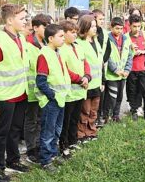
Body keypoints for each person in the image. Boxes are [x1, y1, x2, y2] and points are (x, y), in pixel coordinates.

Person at [0, 4, 30, 182]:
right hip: (4, 95)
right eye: (22, 18)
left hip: (20, 93)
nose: (25, 21)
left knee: (15, 130)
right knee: (0, 134)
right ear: (10, 20)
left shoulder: (20, 37)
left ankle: (13, 160)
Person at [35, 24, 70, 171]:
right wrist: (52, 96)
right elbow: (41, 81)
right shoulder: (45, 54)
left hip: (60, 99)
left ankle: (53, 155)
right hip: (52, 101)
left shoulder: (57, 52)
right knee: (48, 132)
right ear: (50, 38)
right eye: (60, 36)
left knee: (57, 130)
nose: (63, 39)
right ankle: (45, 160)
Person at [59, 20, 91, 158]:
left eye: (76, 32)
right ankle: (63, 145)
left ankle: (72, 141)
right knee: (65, 121)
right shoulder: (61, 49)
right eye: (72, 33)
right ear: (63, 34)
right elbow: (65, 70)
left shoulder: (77, 46)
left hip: (80, 91)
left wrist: (87, 76)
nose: (75, 35)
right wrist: (79, 79)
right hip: (69, 93)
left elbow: (85, 63)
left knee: (74, 119)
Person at [24, 13, 51, 164]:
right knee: (31, 120)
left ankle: (41, 146)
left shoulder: (48, 44)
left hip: (44, 91)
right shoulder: (27, 44)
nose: (48, 29)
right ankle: (31, 149)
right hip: (32, 91)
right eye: (45, 26)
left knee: (41, 120)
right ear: (35, 28)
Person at [76, 15, 103, 141]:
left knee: (93, 111)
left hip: (97, 83)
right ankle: (81, 133)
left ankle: (91, 131)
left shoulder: (96, 41)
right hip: (86, 84)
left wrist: (102, 81)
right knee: (84, 111)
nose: (95, 28)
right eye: (92, 26)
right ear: (85, 27)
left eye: (95, 25)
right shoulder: (79, 43)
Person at [104, 17, 133, 122]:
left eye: (121, 28)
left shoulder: (126, 39)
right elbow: (107, 56)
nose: (119, 31)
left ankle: (116, 116)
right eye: (117, 28)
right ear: (111, 27)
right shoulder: (107, 39)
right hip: (112, 74)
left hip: (123, 74)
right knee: (111, 96)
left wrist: (127, 70)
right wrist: (115, 69)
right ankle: (106, 116)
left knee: (120, 96)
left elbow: (130, 55)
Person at [126, 14, 145, 121]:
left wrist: (143, 51)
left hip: (144, 68)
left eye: (139, 26)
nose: (137, 29)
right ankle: (134, 111)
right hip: (131, 69)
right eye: (134, 26)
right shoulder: (126, 37)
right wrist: (132, 51)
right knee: (132, 91)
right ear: (129, 25)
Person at [92, 9, 111, 126]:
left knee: (101, 94)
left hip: (101, 66)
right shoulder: (92, 34)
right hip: (93, 69)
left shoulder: (104, 33)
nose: (102, 21)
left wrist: (103, 60)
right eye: (100, 19)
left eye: (104, 19)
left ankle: (99, 117)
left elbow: (108, 48)